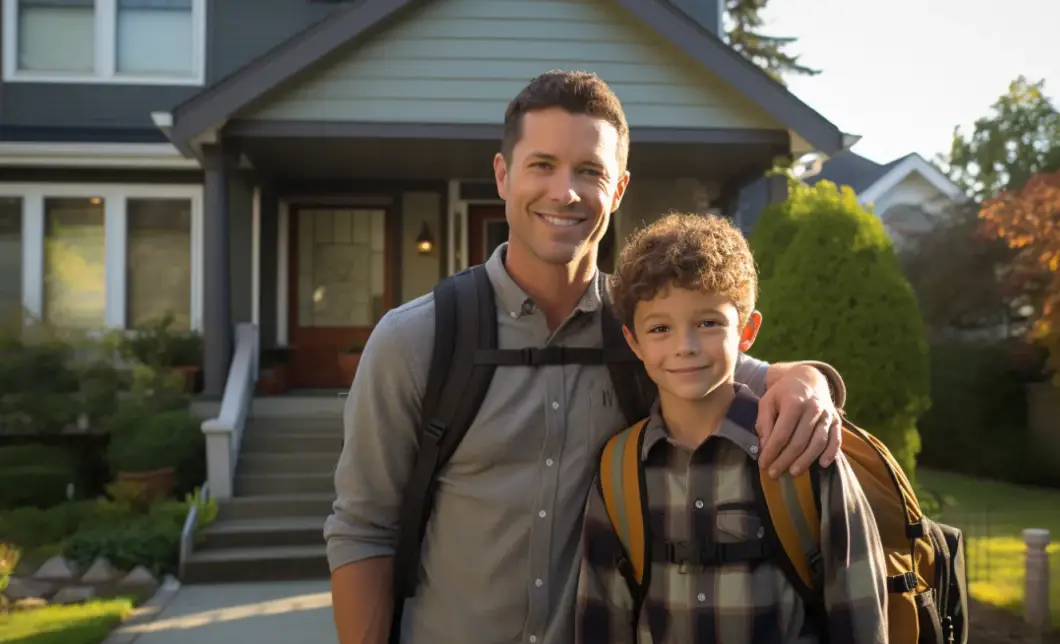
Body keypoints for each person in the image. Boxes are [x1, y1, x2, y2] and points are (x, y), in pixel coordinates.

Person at [325, 70, 850, 644]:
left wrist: (808, 379)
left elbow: (744, 372)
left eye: (590, 171)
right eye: (542, 165)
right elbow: (363, 529)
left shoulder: (648, 337)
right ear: (503, 176)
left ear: (619, 189)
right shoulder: (417, 340)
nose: (565, 192)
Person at [574, 212, 888, 643]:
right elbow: (602, 623)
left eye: (708, 323)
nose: (684, 347)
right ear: (635, 343)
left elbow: (861, 615)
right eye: (660, 328)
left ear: (747, 330)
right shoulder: (618, 471)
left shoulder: (800, 449)